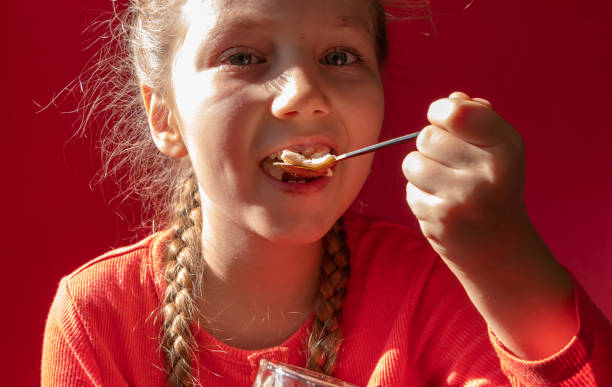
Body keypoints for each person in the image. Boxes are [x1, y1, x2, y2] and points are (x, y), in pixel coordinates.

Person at [41, 0, 612, 386]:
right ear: (164, 117)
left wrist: (507, 261)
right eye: (243, 57)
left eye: (339, 57)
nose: (304, 93)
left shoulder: (429, 293)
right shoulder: (96, 316)